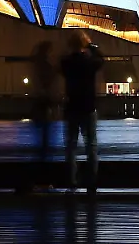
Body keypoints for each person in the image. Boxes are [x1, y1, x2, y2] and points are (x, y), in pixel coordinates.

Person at [61, 32, 104, 192]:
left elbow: (63, 62)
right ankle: (91, 180)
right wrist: (93, 47)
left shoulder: (66, 62)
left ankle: (72, 180)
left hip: (72, 106)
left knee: (71, 146)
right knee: (91, 144)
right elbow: (101, 60)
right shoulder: (90, 62)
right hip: (88, 106)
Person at [29, 41, 58, 163]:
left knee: (41, 130)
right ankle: (45, 157)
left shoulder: (36, 64)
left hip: (39, 99)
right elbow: (48, 80)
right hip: (45, 99)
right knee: (46, 131)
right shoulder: (46, 65)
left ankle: (41, 156)